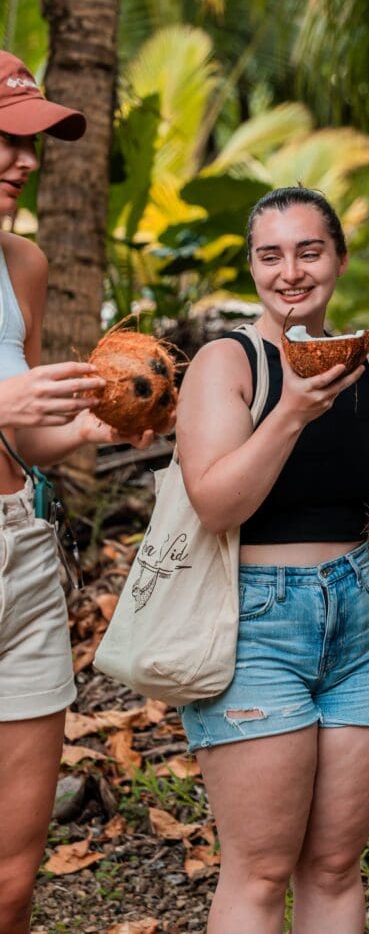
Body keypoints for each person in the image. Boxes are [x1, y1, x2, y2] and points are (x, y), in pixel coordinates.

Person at [175, 186, 369, 933]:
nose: (290, 271)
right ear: (253, 265)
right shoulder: (228, 362)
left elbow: (348, 502)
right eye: (271, 254)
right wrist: (293, 408)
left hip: (359, 618)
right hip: (256, 620)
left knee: (333, 865)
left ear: (338, 259)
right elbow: (215, 503)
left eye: (308, 251)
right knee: (261, 871)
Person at [0, 51, 158, 931]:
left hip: (19, 546)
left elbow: (19, 432)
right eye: (7, 141)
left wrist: (87, 429)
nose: (25, 161)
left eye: (33, 143)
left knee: (15, 874)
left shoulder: (21, 261)